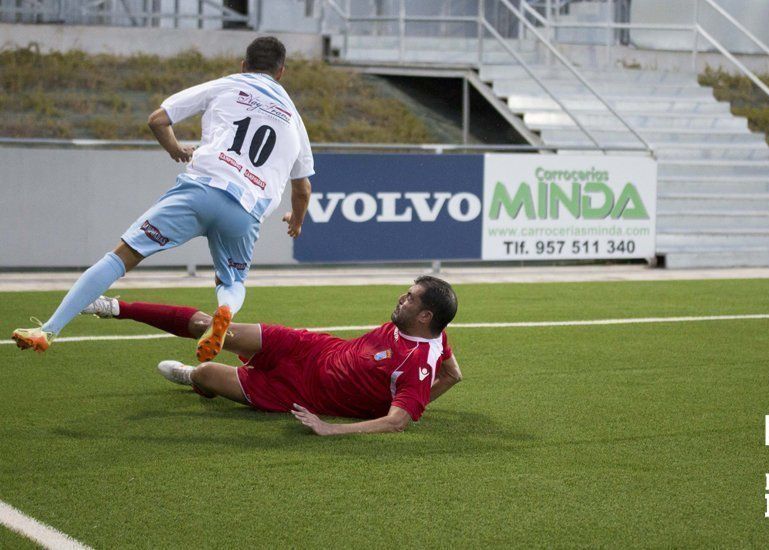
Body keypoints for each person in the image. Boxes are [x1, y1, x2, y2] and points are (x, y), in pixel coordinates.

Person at [12, 36, 314, 363]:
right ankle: (224, 311)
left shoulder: (226, 85)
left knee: (121, 257)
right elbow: (302, 188)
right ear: (281, 72)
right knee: (232, 280)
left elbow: (158, 119)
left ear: (243, 65)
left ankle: (48, 330)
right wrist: (296, 221)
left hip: (200, 190)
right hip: (244, 212)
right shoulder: (294, 119)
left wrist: (176, 150)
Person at [80, 276, 463, 435]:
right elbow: (452, 375)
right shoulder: (434, 334)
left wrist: (331, 429)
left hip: (295, 392)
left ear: (425, 315)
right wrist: (393, 398)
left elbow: (397, 421)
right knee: (211, 328)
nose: (402, 297)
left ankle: (191, 377)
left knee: (207, 372)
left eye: (410, 298)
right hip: (307, 347)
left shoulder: (413, 363)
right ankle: (114, 306)